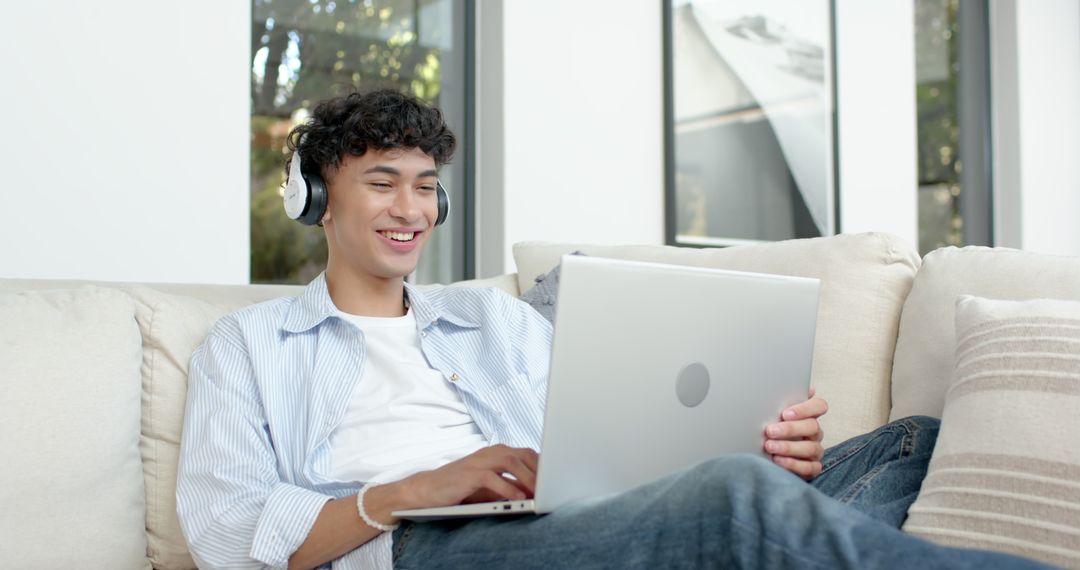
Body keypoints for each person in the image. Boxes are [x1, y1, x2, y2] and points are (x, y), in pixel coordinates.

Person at [176, 89, 1047, 569]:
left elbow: (614, 445)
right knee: (735, 506)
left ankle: (765, 512)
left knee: (907, 445)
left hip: (572, 524)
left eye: (426, 184)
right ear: (319, 200)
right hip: (422, 548)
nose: (413, 209)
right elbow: (226, 536)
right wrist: (417, 489)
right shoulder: (248, 348)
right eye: (382, 182)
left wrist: (764, 447)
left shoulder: (492, 318)